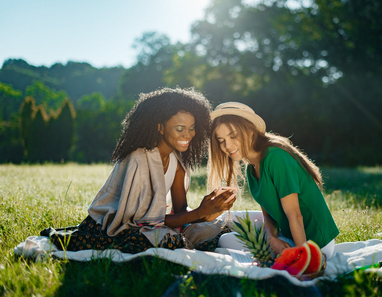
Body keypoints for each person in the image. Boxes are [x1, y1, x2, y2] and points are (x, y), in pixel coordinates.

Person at [41, 88, 236, 253]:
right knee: (171, 242)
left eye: (192, 128)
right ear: (160, 127)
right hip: (118, 226)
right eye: (180, 128)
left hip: (153, 224)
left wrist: (210, 211)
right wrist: (199, 213)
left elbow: (181, 212)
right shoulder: (138, 159)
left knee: (217, 229)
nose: (188, 134)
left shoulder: (178, 165)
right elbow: (140, 221)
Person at [208, 102, 339, 259]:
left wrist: (304, 258)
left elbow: (295, 215)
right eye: (221, 140)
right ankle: (200, 232)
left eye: (233, 136)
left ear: (250, 131)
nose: (227, 145)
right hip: (288, 231)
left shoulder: (276, 157)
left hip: (314, 244)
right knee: (226, 227)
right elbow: (268, 214)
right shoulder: (252, 168)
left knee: (225, 242)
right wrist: (271, 239)